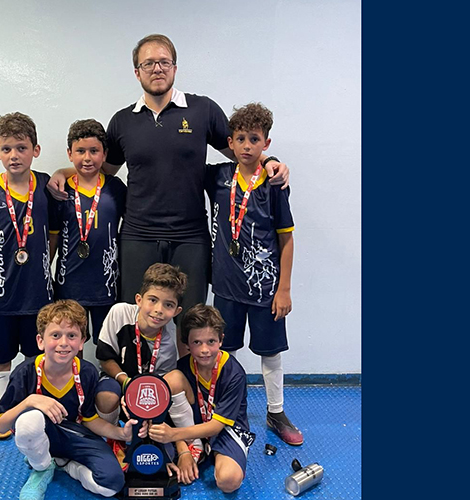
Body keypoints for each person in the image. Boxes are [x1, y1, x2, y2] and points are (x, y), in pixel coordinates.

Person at [48, 34, 290, 355]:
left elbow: (241, 151)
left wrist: (270, 161)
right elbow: (101, 169)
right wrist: (63, 172)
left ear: (175, 68)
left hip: (190, 236)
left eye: (164, 62)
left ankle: (185, 385)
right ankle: (138, 384)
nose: (157, 68)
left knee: (190, 322)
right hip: (138, 235)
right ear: (137, 72)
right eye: (148, 63)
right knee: (136, 319)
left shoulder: (203, 110)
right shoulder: (122, 121)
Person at [204, 102, 302, 445]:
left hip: (265, 288)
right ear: (230, 142)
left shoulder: (274, 184)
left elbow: (286, 239)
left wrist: (284, 289)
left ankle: (276, 412)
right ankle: (226, 409)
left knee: (270, 352)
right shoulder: (217, 177)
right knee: (223, 351)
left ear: (266, 143)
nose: (247, 146)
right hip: (226, 286)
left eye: (255, 139)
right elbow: (181, 165)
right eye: (241, 139)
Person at [0, 300, 147, 500]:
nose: (63, 342)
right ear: (40, 341)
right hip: (43, 435)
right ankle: (42, 467)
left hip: (75, 435)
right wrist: (30, 401)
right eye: (55, 335)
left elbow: (90, 419)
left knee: (112, 484)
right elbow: (0, 425)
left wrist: (121, 433)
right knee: (29, 421)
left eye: (71, 336)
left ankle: (68, 466)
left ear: (81, 342)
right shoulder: (25, 373)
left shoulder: (87, 372)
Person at [0, 111, 59, 439]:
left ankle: (33, 410)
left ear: (35, 149)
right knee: (0, 357)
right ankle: (0, 410)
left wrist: (42, 264)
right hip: (1, 295)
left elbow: (53, 235)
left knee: (37, 356)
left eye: (21, 148)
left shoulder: (47, 187)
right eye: (6, 149)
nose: (14, 155)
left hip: (38, 296)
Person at [93, 263, 203, 469]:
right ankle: (114, 438)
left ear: (177, 311)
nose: (158, 310)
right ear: (139, 299)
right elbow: (105, 359)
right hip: (119, 382)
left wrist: (150, 414)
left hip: (148, 395)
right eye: (153, 300)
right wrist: (126, 383)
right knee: (106, 395)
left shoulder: (169, 340)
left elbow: (162, 388)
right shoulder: (119, 313)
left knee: (175, 379)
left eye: (168, 305)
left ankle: (190, 443)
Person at [148, 304, 255, 493]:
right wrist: (183, 450)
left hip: (225, 428)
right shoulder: (182, 366)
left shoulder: (234, 373)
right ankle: (196, 446)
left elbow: (216, 426)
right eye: (197, 342)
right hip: (192, 423)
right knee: (171, 380)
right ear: (187, 344)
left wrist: (173, 435)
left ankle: (214, 452)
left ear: (221, 340)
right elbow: (170, 417)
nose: (204, 349)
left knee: (229, 481)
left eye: (211, 341)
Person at [52, 119, 126, 345]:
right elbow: (53, 235)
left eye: (94, 151)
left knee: (107, 345)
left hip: (106, 283)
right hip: (70, 283)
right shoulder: (60, 190)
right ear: (69, 153)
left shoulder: (116, 188)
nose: (87, 158)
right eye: (80, 151)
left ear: (104, 154)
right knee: (72, 344)